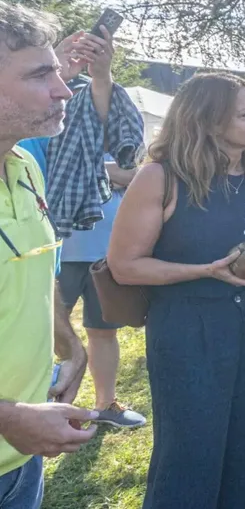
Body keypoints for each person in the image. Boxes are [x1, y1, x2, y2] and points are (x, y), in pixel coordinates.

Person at [108, 73, 245, 509]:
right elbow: (125, 266)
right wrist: (204, 270)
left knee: (243, 449)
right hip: (185, 331)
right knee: (188, 455)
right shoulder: (160, 179)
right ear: (208, 121)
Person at [0, 0, 96, 509]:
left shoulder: (27, 168)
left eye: (58, 72)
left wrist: (70, 346)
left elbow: (35, 273)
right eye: (41, 75)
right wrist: (10, 418)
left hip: (22, 459)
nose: (62, 89)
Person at [55, 155, 146, 428]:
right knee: (42, 334)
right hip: (59, 255)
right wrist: (107, 173)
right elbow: (55, 170)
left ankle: (106, 405)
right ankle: (41, 412)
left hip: (106, 255)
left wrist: (87, 167)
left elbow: (134, 176)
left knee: (104, 332)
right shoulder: (53, 135)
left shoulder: (115, 141)